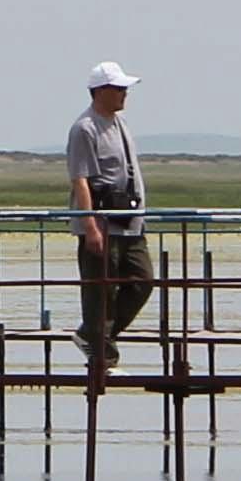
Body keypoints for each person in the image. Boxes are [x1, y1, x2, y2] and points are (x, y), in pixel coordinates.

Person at [64, 65, 149, 376]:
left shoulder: (121, 124)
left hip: (130, 220)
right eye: (119, 89)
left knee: (142, 281)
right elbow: (80, 179)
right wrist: (89, 225)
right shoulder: (84, 128)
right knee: (101, 291)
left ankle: (93, 335)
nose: (125, 94)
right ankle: (103, 358)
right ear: (100, 91)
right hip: (101, 222)